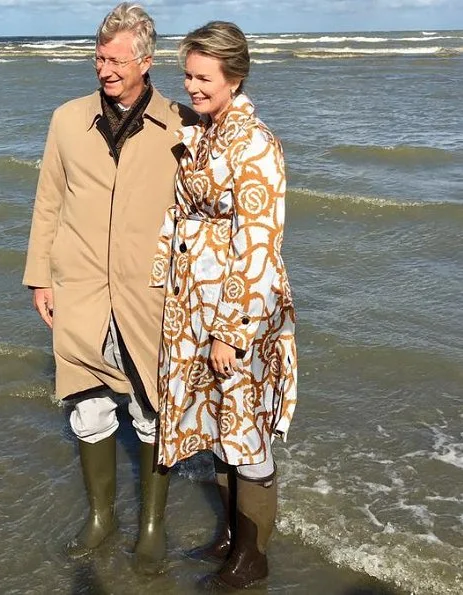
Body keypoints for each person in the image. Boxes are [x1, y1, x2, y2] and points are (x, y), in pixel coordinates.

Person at [22, 2, 197, 571]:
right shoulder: (66, 120)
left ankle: (151, 525)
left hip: (150, 293)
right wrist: (39, 277)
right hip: (79, 288)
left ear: (146, 61)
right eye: (99, 58)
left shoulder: (181, 124)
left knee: (152, 407)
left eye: (116, 60)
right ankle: (102, 517)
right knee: (89, 406)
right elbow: (48, 201)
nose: (104, 70)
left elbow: (202, 213)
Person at [149, 22, 297, 589]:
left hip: (241, 310)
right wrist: (163, 277)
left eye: (203, 77)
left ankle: (253, 558)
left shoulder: (254, 142)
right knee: (217, 423)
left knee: (245, 427)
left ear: (235, 78)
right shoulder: (208, 131)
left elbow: (261, 243)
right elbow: (183, 211)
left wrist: (230, 331)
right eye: (187, 74)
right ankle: (232, 539)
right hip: (197, 308)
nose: (191, 86)